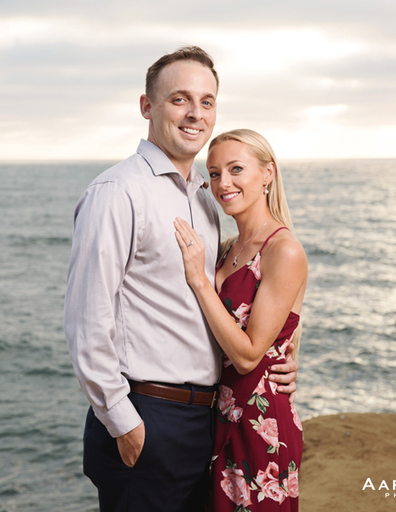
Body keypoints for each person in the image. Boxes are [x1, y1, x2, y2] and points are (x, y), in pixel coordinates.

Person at [64, 47, 298, 512]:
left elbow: (245, 304)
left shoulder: (206, 201)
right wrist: (123, 422)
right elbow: (88, 320)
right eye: (180, 100)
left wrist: (285, 357)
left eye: (207, 101)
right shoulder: (118, 192)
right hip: (149, 416)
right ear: (147, 107)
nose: (196, 113)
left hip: (208, 419)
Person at [173, 129, 307, 511]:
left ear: (267, 174)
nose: (223, 183)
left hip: (261, 421)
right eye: (214, 173)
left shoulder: (283, 250)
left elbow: (249, 356)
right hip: (218, 415)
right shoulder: (228, 248)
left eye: (236, 169)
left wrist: (199, 280)